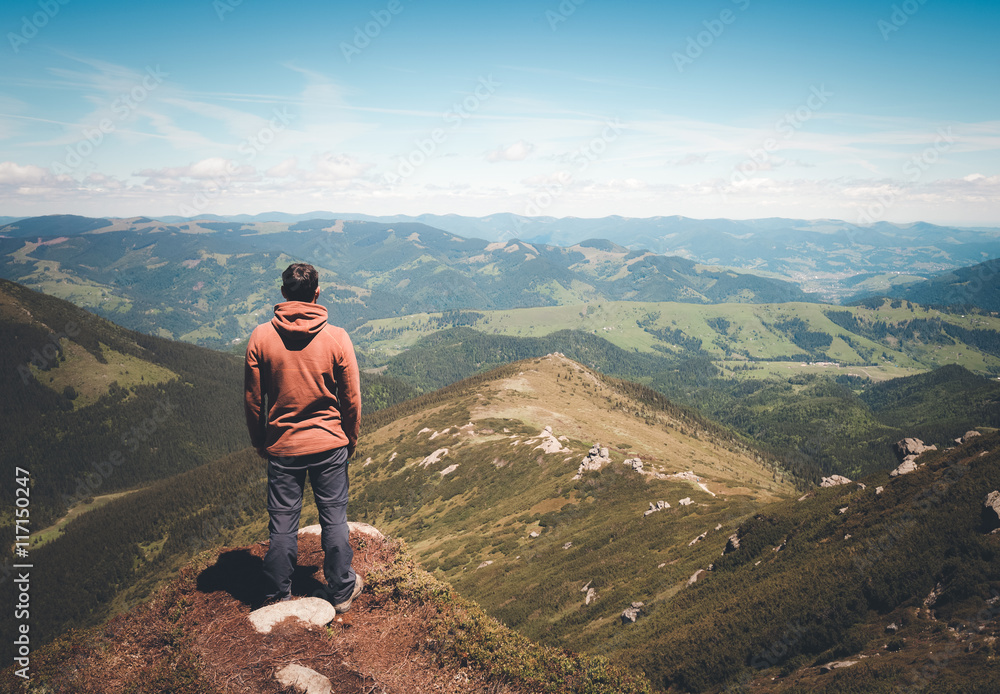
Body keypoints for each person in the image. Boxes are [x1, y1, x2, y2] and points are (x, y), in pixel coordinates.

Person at [244, 262, 363, 611]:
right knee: (334, 518)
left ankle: (278, 595)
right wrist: (349, 437)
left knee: (282, 523)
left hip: (283, 446)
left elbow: (253, 399)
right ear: (317, 293)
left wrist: (260, 440)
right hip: (330, 443)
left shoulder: (261, 337)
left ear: (283, 294)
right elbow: (351, 398)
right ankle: (341, 590)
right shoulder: (336, 337)